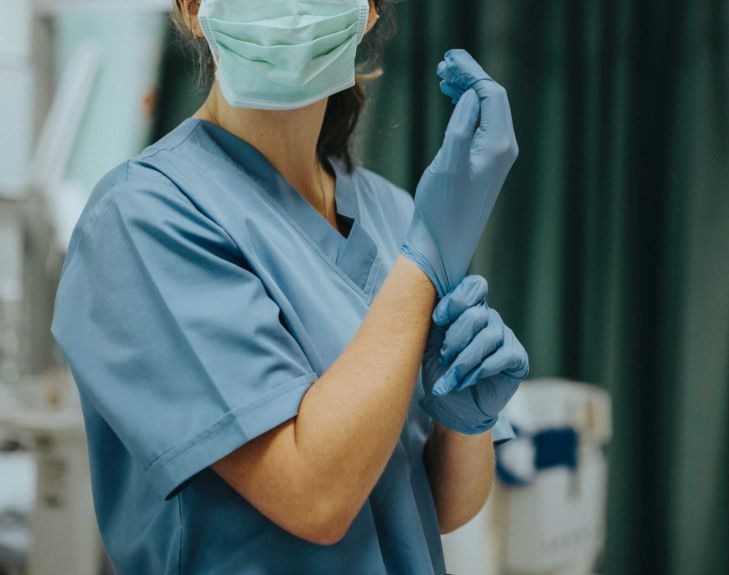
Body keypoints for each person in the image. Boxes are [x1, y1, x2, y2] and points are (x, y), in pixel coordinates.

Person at [51, 0, 527, 573]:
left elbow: (445, 506)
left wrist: (463, 420)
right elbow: (315, 497)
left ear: (369, 11)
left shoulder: (395, 214)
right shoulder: (142, 218)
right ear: (193, 8)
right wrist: (426, 258)